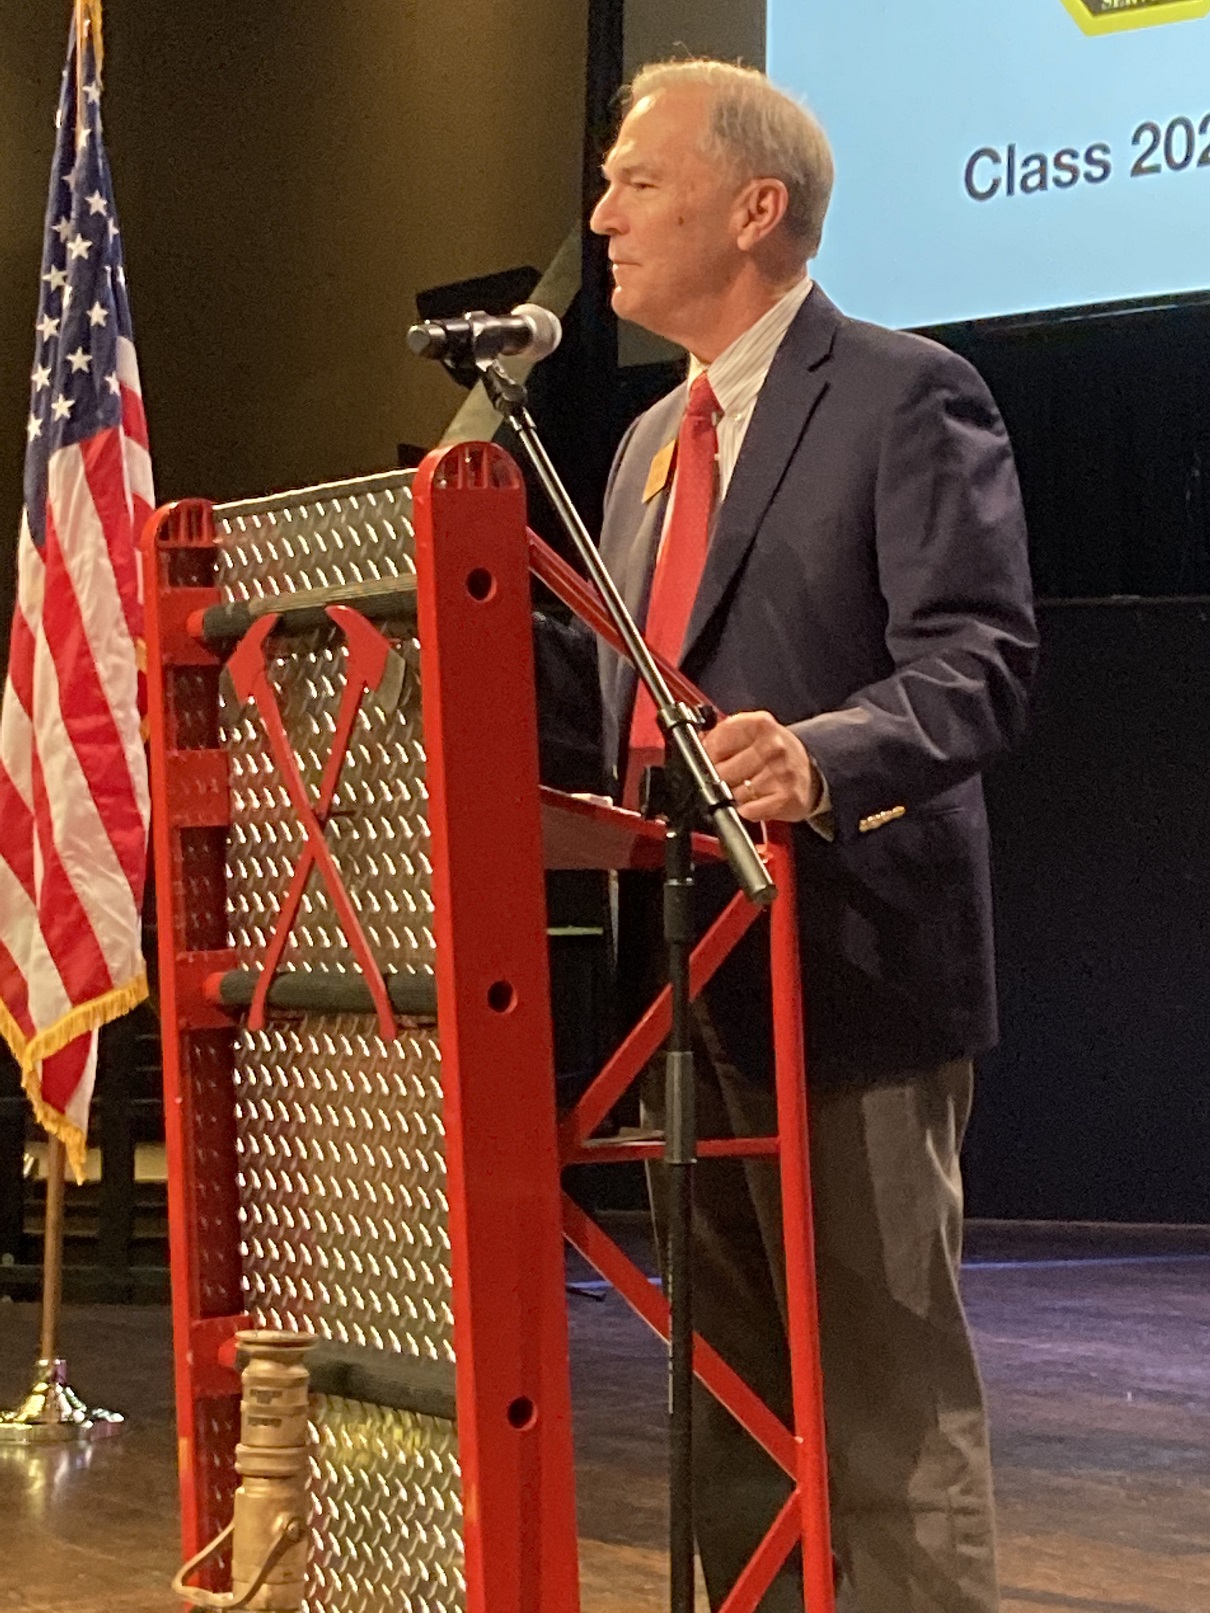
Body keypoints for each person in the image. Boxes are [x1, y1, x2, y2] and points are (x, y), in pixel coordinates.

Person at [587, 60, 1037, 1613]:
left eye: (637, 181)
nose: (602, 215)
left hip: (851, 963)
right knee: (727, 1392)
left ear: (754, 207)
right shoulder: (643, 444)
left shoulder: (908, 393)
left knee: (882, 1393)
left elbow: (978, 661)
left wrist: (819, 754)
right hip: (681, 976)